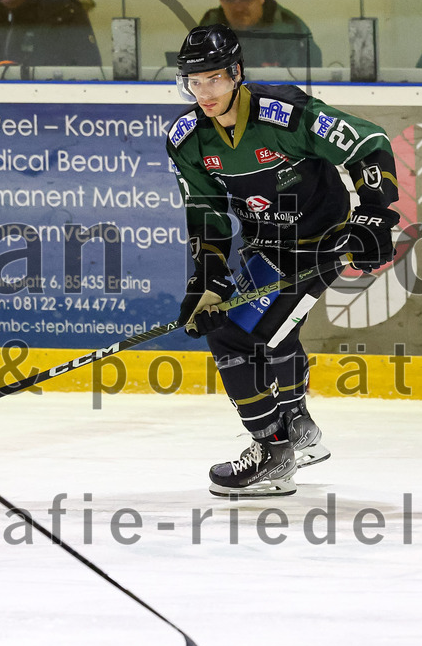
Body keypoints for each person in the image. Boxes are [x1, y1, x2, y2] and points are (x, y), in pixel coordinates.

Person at [167, 24, 399, 498]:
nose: (203, 92)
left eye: (213, 78)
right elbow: (205, 208)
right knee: (271, 331)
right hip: (266, 247)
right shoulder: (187, 140)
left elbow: (368, 142)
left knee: (233, 336)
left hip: (320, 243)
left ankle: (272, 451)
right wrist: (209, 273)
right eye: (193, 81)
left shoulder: (285, 114)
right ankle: (297, 428)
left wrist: (375, 214)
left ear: (236, 74)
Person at [198, 0, 322, 69]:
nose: (239, 8)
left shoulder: (288, 27)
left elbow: (307, 82)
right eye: (230, 0)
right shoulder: (210, 28)